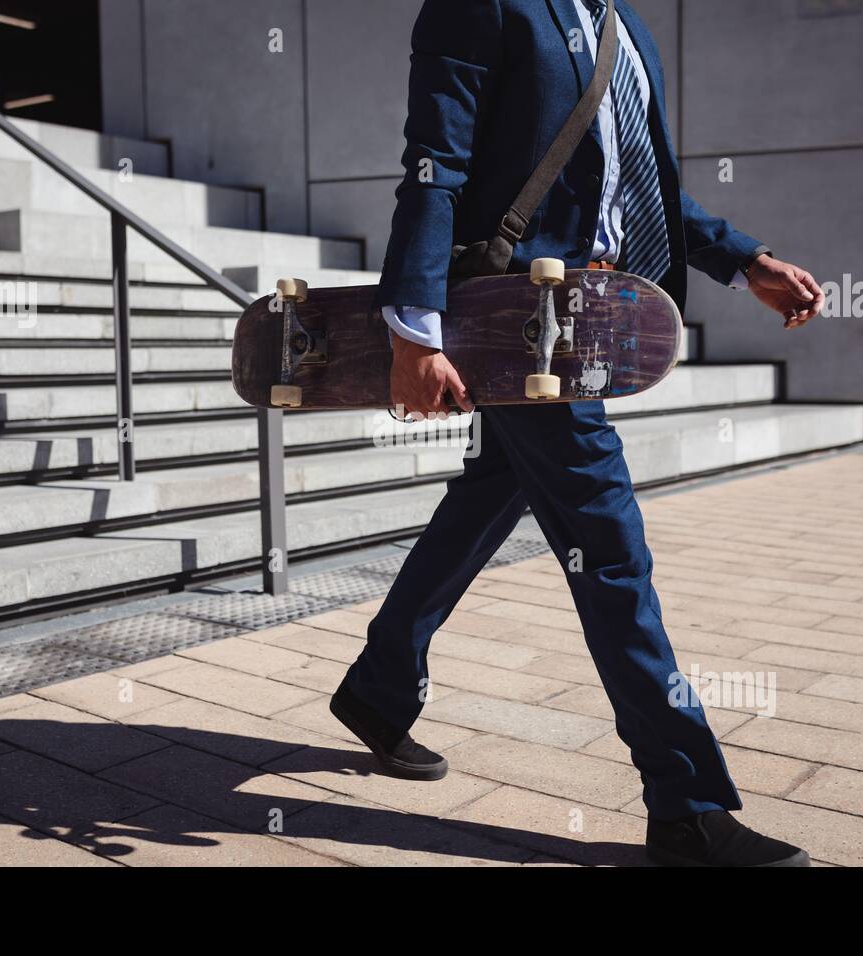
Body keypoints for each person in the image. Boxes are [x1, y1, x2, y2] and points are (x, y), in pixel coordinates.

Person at [330, 0, 823, 867]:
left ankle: (378, 686)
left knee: (486, 500)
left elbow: (643, 185)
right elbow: (434, 164)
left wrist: (744, 260)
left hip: (589, 318)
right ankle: (686, 807)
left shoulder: (623, 26)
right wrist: (413, 328)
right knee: (612, 548)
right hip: (519, 324)